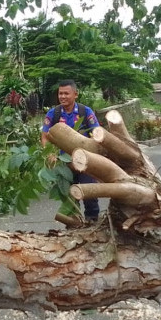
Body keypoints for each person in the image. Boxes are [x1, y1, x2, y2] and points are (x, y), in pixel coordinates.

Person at [41, 79, 101, 222]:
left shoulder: (85, 112)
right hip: (64, 164)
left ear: (75, 94)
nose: (62, 96)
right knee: (68, 196)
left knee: (89, 194)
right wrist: (49, 153)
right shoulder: (53, 114)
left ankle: (92, 223)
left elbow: (97, 133)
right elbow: (44, 136)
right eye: (60, 93)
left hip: (85, 162)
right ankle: (73, 226)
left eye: (66, 93)